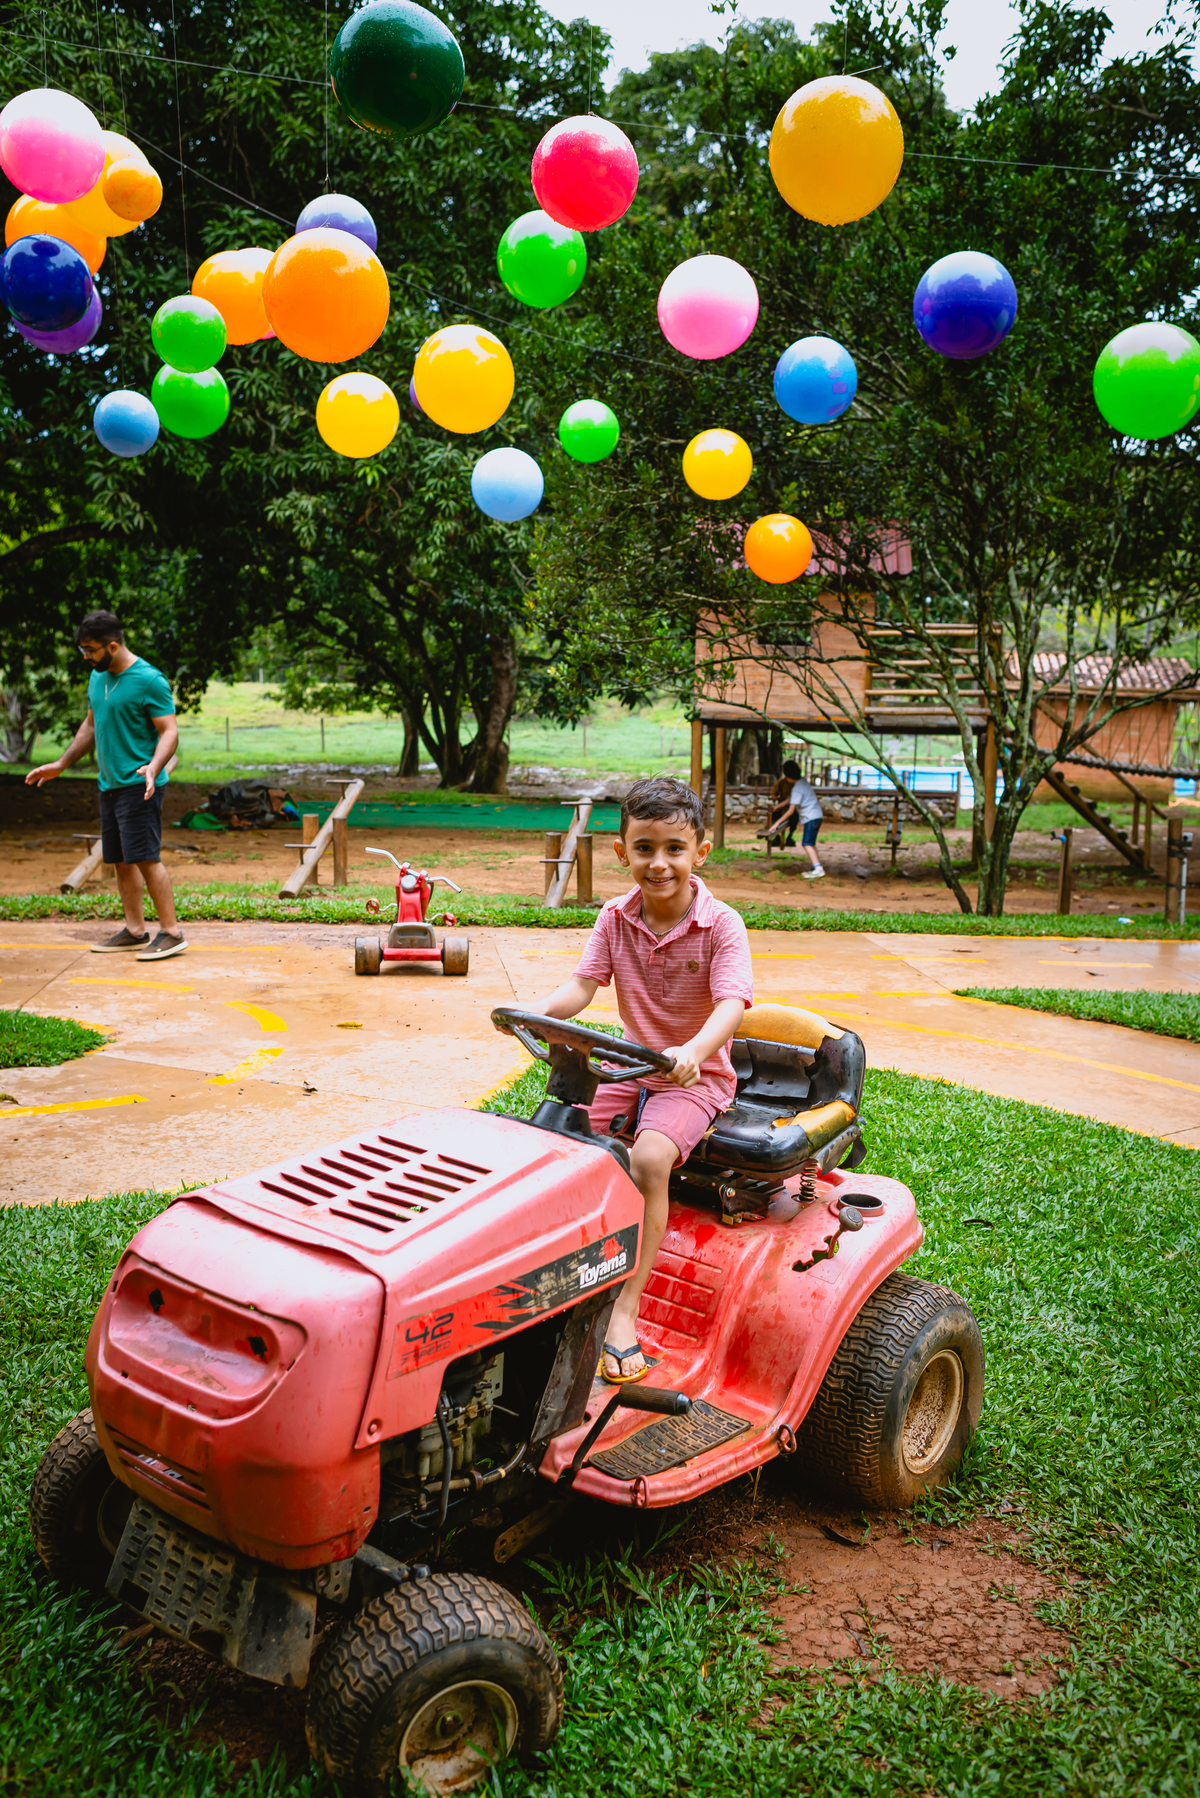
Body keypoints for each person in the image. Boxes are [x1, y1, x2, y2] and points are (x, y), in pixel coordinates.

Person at [536, 776, 752, 1384]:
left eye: (674, 849)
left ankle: (624, 1308)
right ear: (621, 852)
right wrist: (540, 1013)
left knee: (650, 1160)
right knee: (567, 1143)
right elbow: (584, 985)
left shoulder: (722, 925)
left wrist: (692, 1049)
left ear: (700, 852)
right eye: (645, 848)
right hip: (632, 1064)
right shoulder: (614, 917)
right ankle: (562, 1270)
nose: (659, 864)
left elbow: (731, 1005)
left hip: (694, 1076)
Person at [26, 609, 187, 960]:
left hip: (139, 782)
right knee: (120, 860)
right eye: (83, 649)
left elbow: (170, 731)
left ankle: (172, 933)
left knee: (145, 856)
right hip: (110, 783)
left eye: (91, 649)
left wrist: (153, 767)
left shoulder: (149, 679)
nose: (85, 656)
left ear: (112, 646)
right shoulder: (98, 677)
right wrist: (61, 763)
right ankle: (134, 930)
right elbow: (90, 724)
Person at [763, 757, 825, 878]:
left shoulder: (796, 788)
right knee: (810, 843)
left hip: (811, 817)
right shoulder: (802, 782)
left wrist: (775, 825)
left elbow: (791, 811)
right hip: (817, 815)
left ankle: (818, 868)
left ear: (787, 776)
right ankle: (816, 866)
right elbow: (791, 799)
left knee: (807, 843)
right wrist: (779, 806)